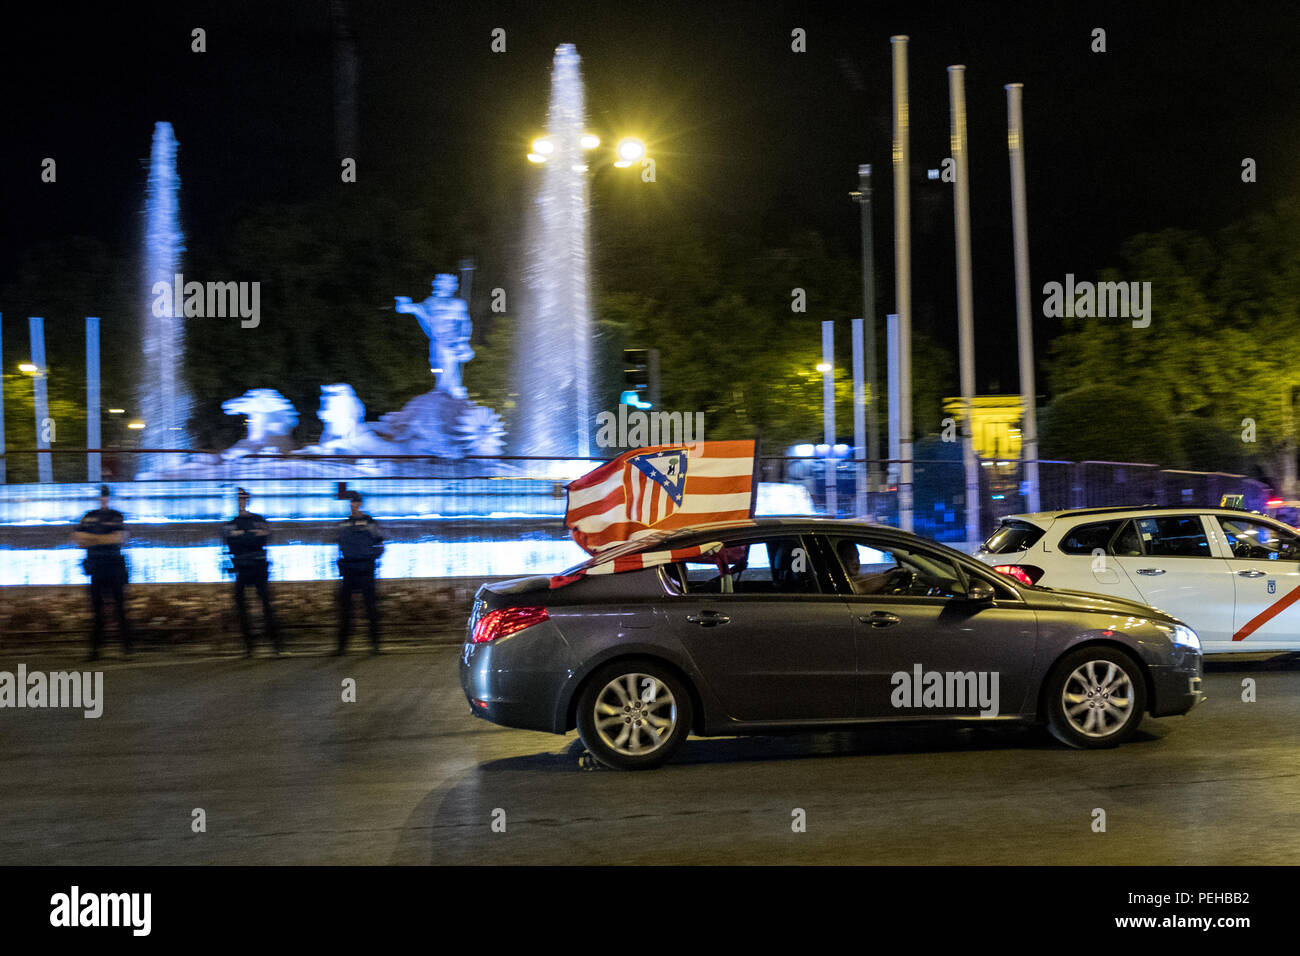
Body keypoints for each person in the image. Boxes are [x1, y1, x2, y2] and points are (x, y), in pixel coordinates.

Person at [72, 484, 132, 661]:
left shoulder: (115, 516)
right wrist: (105, 539)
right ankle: (97, 650)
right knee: (98, 612)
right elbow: (78, 540)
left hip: (113, 568)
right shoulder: (89, 517)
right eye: (101, 495)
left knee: (120, 610)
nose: (103, 498)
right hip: (98, 569)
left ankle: (125, 648)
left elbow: (119, 538)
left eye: (105, 495)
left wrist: (93, 539)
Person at [223, 488, 283, 658]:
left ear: (247, 500)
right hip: (244, 567)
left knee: (266, 605)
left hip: (257, 566)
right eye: (238, 499)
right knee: (242, 607)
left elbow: (262, 538)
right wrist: (250, 537)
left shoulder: (256, 520)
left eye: (243, 498)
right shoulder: (233, 523)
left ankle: (275, 645)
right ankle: (250, 647)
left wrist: (242, 537)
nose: (240, 501)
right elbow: (232, 544)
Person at [336, 490, 384, 654]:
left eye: (355, 502)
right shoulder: (344, 524)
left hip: (364, 568)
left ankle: (374, 645)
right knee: (346, 609)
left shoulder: (370, 523)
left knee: (370, 608)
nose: (352, 505)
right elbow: (339, 544)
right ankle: (343, 646)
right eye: (350, 502)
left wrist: (369, 557)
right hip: (350, 568)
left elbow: (380, 545)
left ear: (359, 503)